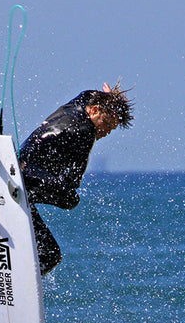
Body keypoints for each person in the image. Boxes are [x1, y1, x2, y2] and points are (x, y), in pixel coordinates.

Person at [19, 80, 134, 276]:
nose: (105, 132)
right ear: (95, 110)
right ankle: (22, 281)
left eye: (110, 129)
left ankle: (23, 200)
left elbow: (92, 95)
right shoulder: (84, 132)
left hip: (21, 161)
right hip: (26, 177)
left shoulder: (84, 100)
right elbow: (73, 183)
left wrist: (111, 96)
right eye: (105, 124)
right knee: (69, 206)